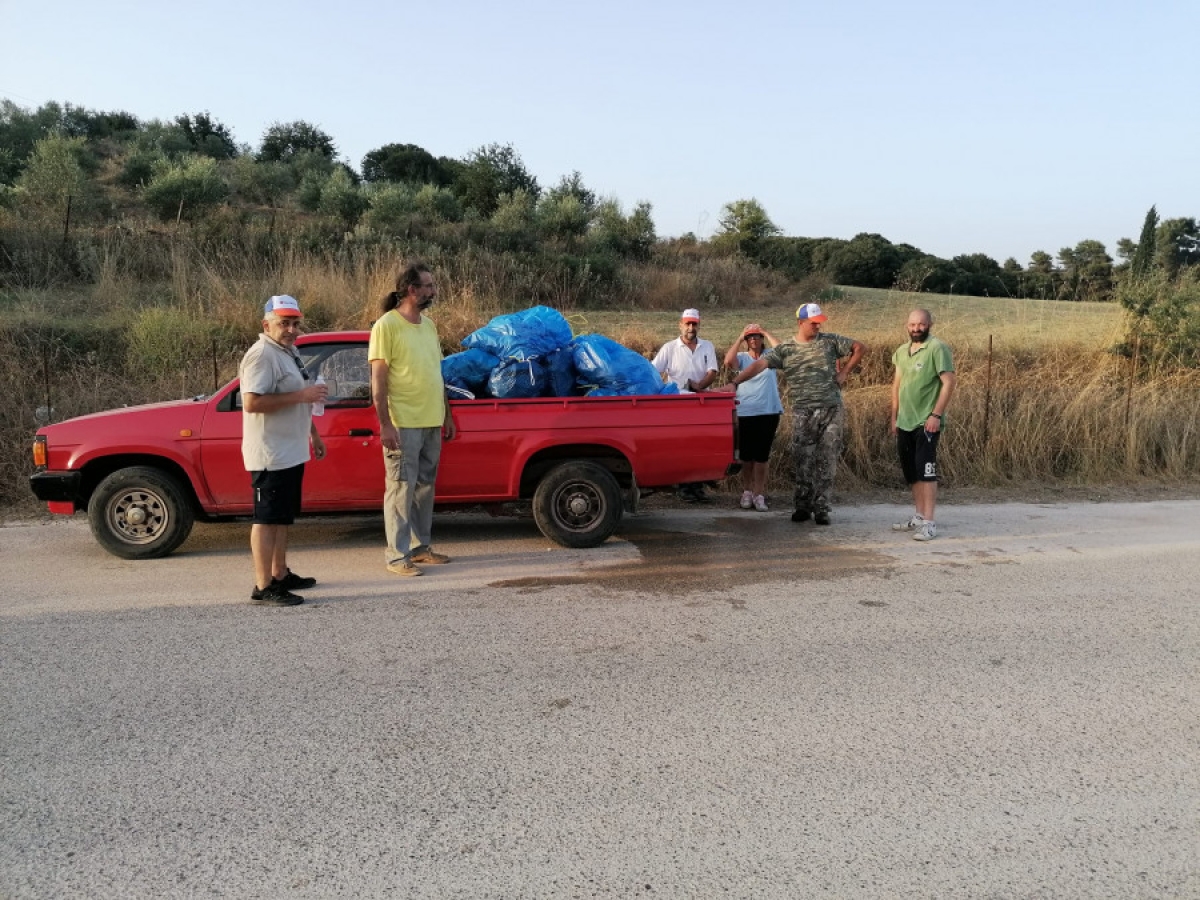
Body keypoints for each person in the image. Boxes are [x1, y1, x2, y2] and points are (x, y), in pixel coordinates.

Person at [725, 303, 864, 525]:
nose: (818, 326)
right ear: (801, 323)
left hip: (831, 409)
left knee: (827, 460)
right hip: (803, 411)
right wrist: (734, 382)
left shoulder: (830, 341)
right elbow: (758, 365)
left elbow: (859, 347)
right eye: (813, 323)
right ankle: (802, 506)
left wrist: (845, 372)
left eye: (819, 322)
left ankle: (821, 508)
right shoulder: (786, 348)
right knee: (803, 460)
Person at [369, 262, 457, 577]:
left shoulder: (429, 325)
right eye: (428, 286)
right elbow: (378, 382)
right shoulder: (386, 325)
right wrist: (385, 424)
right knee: (400, 488)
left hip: (431, 419)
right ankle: (397, 556)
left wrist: (446, 413)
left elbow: (437, 373)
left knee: (424, 487)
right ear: (412, 290)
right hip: (403, 421)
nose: (433, 291)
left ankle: (421, 548)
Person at [240, 294, 328, 606]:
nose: (291, 329)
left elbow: (299, 397)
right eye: (283, 323)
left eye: (294, 323)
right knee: (266, 519)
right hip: (271, 454)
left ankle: (280, 573)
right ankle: (263, 586)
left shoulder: (287, 352)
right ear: (266, 325)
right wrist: (302, 396)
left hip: (290, 451)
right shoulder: (262, 355)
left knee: (281, 517)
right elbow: (252, 402)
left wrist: (313, 435)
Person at [890, 309, 956, 541]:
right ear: (906, 325)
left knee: (926, 472)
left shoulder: (937, 348)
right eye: (912, 324)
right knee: (912, 472)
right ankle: (918, 516)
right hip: (905, 421)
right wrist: (894, 416)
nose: (916, 328)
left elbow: (949, 383)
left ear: (930, 324)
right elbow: (897, 385)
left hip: (926, 421)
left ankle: (929, 522)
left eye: (921, 324)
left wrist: (936, 415)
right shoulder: (901, 351)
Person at [652, 307, 719, 503]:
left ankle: (697, 486)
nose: (691, 327)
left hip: (700, 403)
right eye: (687, 323)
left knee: (701, 445)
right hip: (677, 406)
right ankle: (683, 486)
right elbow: (653, 371)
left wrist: (699, 387)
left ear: (699, 325)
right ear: (680, 325)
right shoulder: (670, 348)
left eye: (694, 324)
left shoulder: (707, 346)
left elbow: (712, 371)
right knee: (681, 445)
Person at [723, 322, 782, 512]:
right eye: (750, 337)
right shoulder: (741, 358)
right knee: (746, 455)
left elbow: (783, 350)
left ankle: (759, 493)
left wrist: (764, 330)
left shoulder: (769, 357)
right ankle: (747, 491)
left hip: (768, 410)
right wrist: (740, 337)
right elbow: (727, 361)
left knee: (761, 455)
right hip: (745, 411)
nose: (754, 340)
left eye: (757, 336)